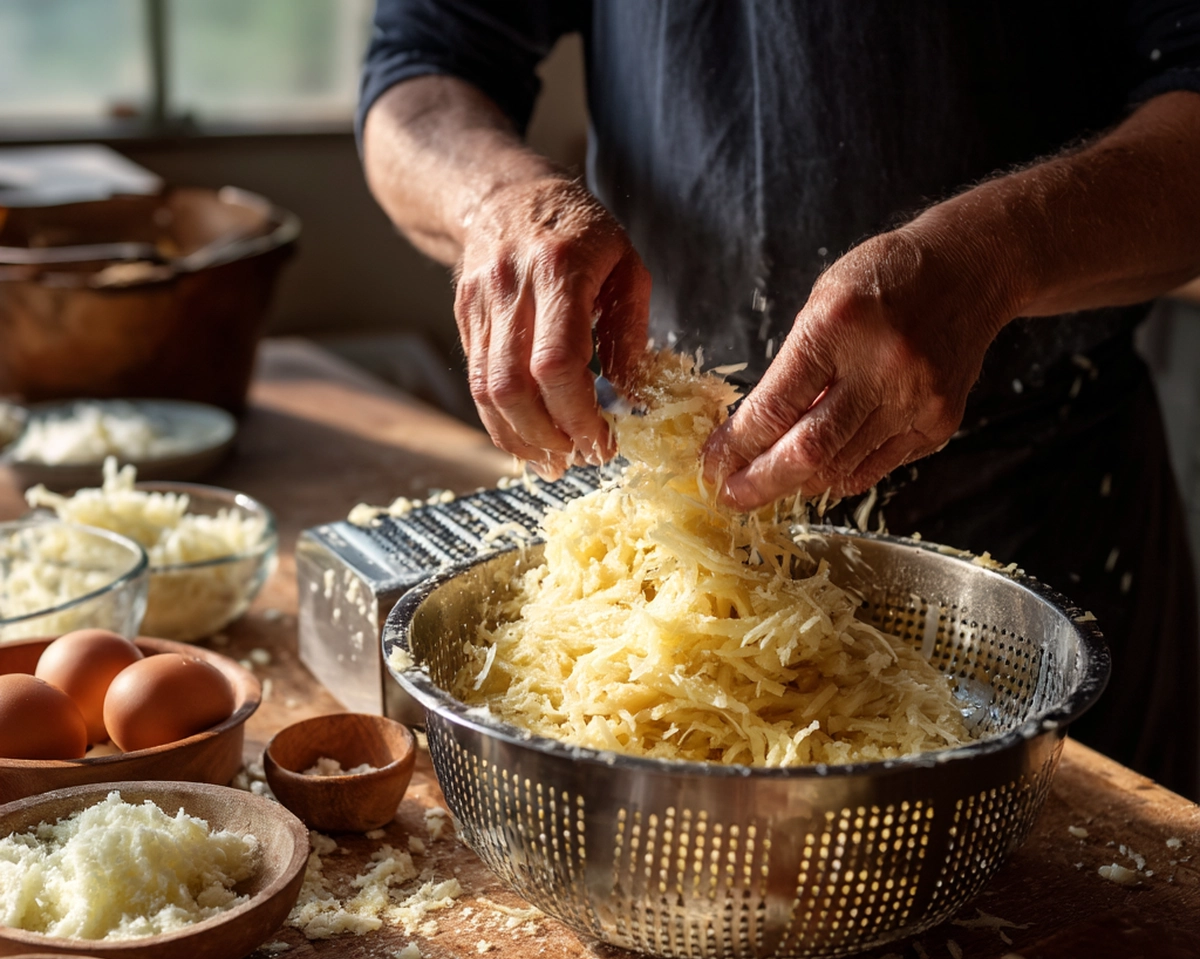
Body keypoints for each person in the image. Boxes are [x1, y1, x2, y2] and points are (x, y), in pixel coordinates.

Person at [358, 1, 1200, 798]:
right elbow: (421, 69)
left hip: (1040, 501)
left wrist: (994, 257)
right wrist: (497, 204)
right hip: (653, 504)